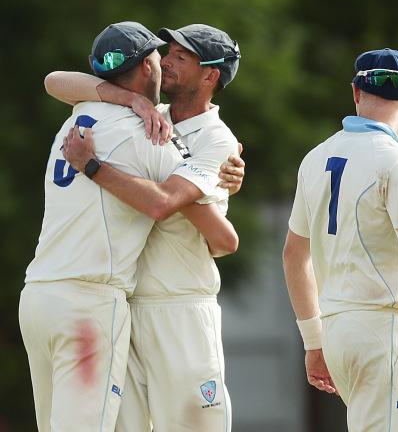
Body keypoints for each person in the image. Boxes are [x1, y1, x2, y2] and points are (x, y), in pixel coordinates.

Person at [19, 21, 238, 432]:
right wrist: (132, 102)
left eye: (182, 56)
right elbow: (55, 80)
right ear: (146, 71)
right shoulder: (150, 124)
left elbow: (220, 237)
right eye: (166, 54)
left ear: (211, 75)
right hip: (119, 301)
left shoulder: (214, 138)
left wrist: (95, 166)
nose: (168, 62)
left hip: (180, 303)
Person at [283, 49, 398, 432]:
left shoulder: (314, 158)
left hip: (336, 331)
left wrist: (313, 340)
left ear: (356, 93)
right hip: (384, 329)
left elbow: (294, 255)